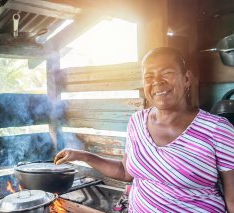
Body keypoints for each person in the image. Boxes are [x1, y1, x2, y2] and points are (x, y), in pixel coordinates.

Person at [54, 47, 234, 212]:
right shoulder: (137, 121)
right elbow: (126, 172)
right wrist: (82, 155)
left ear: (186, 79)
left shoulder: (218, 130)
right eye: (149, 77)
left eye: (167, 73)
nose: (157, 82)